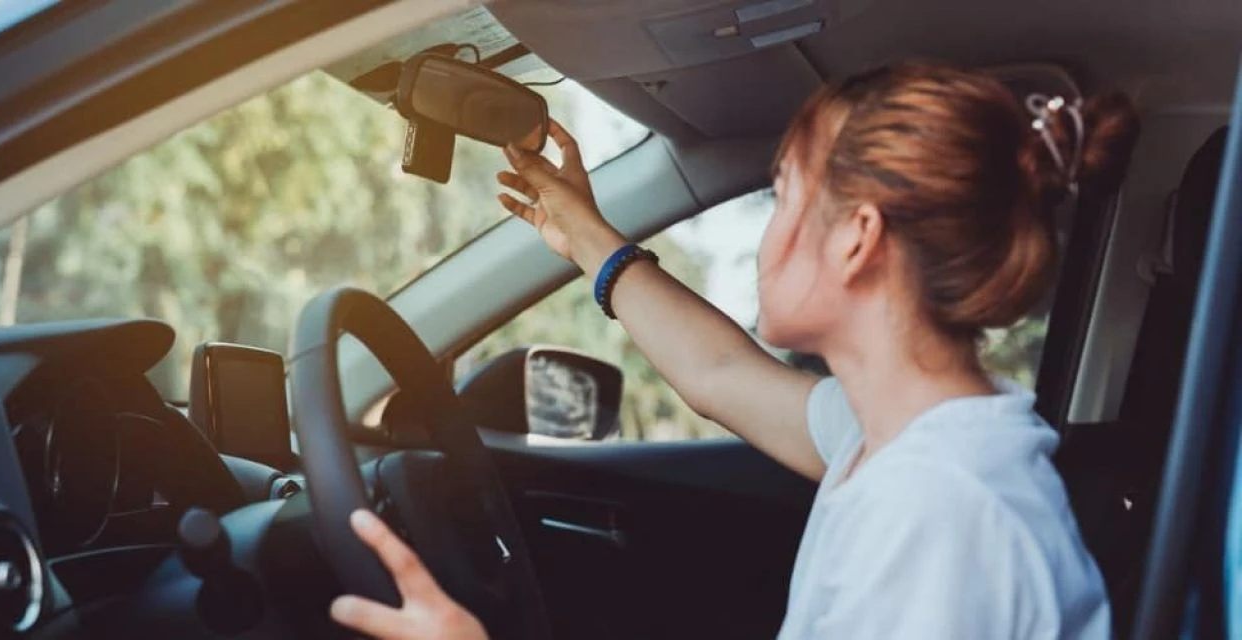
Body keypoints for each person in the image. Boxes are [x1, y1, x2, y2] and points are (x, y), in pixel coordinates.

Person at [329, 61, 1140, 639]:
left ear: (859, 240)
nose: (768, 230)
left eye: (783, 191)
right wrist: (582, 234)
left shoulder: (941, 517)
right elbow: (719, 374)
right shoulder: (895, 440)